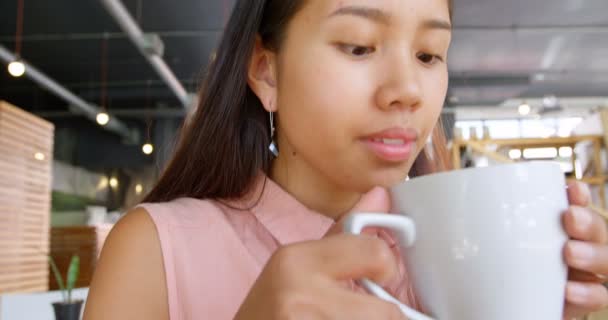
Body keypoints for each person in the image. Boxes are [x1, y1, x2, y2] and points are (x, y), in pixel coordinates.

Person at [83, 1, 608, 319]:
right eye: (358, 46)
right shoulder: (157, 251)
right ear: (267, 73)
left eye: (429, 54)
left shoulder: (459, 256)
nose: (407, 91)